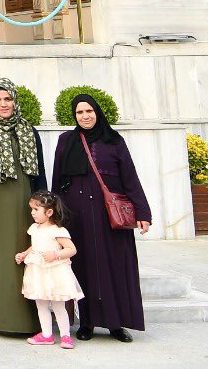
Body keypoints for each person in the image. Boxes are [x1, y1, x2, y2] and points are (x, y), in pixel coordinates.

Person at [53, 93, 151, 342]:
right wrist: (55, 216)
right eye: (79, 113)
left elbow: (130, 176)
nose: (85, 116)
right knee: (83, 265)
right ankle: (87, 322)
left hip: (110, 216)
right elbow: (57, 180)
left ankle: (116, 324)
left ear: (97, 112)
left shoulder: (114, 140)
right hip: (77, 215)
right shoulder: (66, 140)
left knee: (115, 266)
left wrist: (143, 212)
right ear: (74, 116)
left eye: (89, 111)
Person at [0, 78, 48, 337]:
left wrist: (44, 209)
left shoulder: (29, 130)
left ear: (15, 101)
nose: (3, 104)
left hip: (24, 209)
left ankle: (28, 321)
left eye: (8, 99)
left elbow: (39, 173)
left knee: (25, 257)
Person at [18, 191, 85, 348]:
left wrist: (55, 254)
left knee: (58, 305)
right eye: (32, 209)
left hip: (54, 272)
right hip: (38, 272)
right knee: (41, 304)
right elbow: (35, 246)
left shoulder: (57, 230)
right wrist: (24, 254)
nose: (32, 213)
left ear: (49, 212)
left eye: (36, 209)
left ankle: (65, 336)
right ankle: (47, 335)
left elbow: (71, 249)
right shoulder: (35, 228)